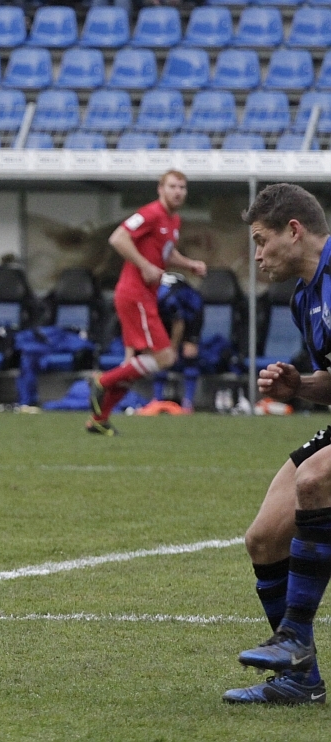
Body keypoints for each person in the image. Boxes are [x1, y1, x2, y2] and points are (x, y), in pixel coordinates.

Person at [222, 183, 331, 705]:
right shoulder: (305, 298)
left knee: (315, 479)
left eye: (261, 242)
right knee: (264, 538)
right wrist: (300, 386)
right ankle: (300, 679)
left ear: (294, 230)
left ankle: (292, 636)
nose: (258, 256)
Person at [87, 170, 207, 435]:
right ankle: (102, 381)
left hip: (145, 296)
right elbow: (118, 237)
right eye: (173, 186)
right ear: (160, 189)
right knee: (165, 357)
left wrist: (189, 264)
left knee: (134, 365)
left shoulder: (173, 220)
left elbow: (166, 253)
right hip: (135, 294)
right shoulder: (151, 213)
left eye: (182, 187)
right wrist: (144, 265)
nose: (178, 192)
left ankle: (98, 419)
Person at [149, 272, 203, 413]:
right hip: (167, 317)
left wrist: (173, 348)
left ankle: (188, 403)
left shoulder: (166, 298)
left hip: (191, 312)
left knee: (189, 352)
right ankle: (157, 400)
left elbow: (178, 323)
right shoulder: (141, 297)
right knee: (160, 354)